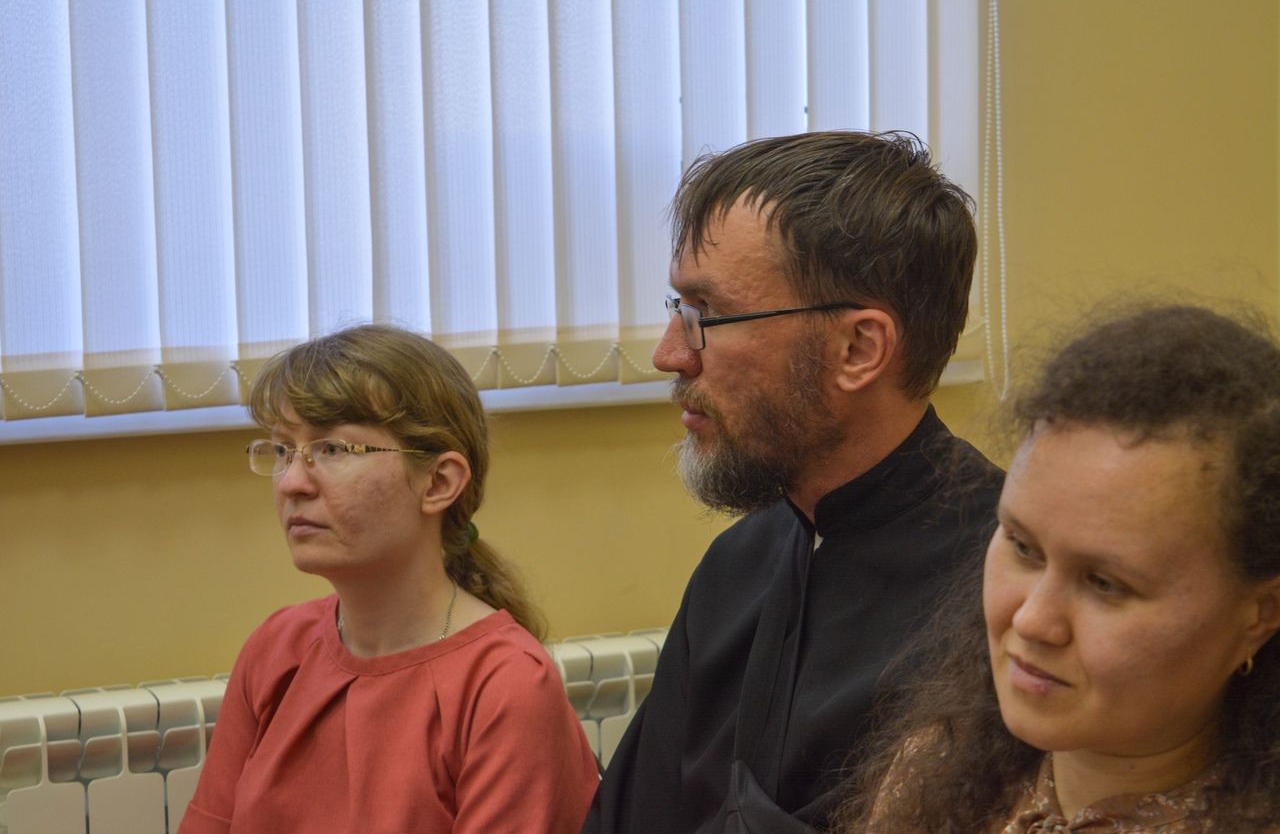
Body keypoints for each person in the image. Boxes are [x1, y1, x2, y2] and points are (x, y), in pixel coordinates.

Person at [583, 131, 1004, 832]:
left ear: (857, 348)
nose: (669, 354)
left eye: (706, 315)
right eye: (676, 309)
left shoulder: (1007, 592)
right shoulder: (737, 564)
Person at [834, 305, 1280, 832]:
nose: (1032, 620)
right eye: (1023, 548)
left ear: (1260, 614)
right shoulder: (933, 770)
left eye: (1105, 583)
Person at [181, 324, 599, 834]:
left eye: (333, 449)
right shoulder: (276, 648)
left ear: (438, 482)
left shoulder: (505, 684)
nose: (291, 482)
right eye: (284, 450)